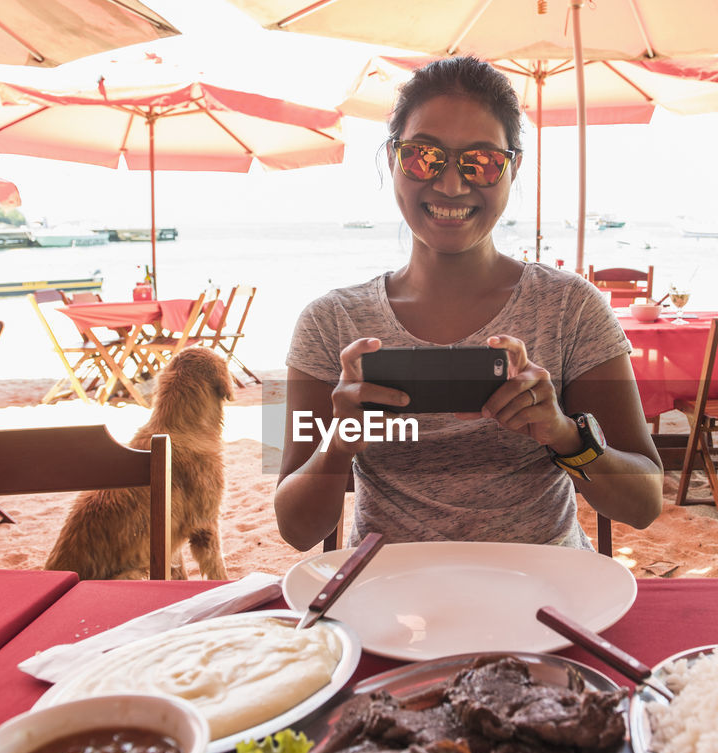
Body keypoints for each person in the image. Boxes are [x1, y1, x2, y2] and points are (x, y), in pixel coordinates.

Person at [275, 56, 662, 552]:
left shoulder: (570, 307)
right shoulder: (329, 322)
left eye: (481, 161)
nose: (452, 185)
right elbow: (295, 529)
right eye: (424, 157)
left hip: (545, 594)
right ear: (394, 159)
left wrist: (565, 435)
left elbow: (644, 502)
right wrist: (339, 444)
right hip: (389, 602)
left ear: (512, 166)